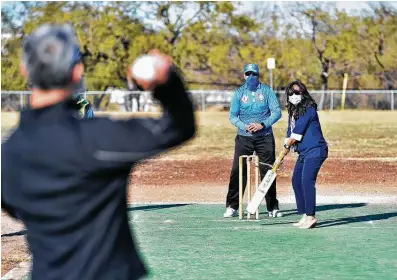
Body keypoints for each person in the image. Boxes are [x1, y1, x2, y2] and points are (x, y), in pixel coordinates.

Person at [1, 24, 196, 280]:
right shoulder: (100, 138)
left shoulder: (9, 155)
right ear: (77, 71)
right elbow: (178, 127)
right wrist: (167, 82)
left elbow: (14, 207)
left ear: (25, 69)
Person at [224, 63, 282, 218]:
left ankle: (272, 207)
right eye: (248, 74)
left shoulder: (267, 91)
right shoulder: (238, 93)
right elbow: (232, 116)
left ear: (258, 75)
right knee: (238, 170)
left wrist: (262, 125)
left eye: (254, 74)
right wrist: (244, 126)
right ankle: (232, 206)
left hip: (265, 137)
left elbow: (277, 112)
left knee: (268, 171)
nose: (251, 77)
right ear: (244, 75)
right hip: (244, 138)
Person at [282, 80, 328, 229]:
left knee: (307, 181)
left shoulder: (309, 108)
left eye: (297, 92)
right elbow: (290, 130)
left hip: (316, 150)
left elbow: (297, 133)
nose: (294, 95)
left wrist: (287, 145)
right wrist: (286, 145)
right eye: (291, 93)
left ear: (303, 93)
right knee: (296, 181)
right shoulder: (293, 111)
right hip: (304, 152)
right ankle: (304, 214)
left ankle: (311, 216)